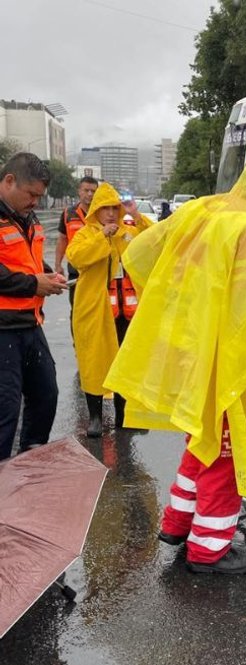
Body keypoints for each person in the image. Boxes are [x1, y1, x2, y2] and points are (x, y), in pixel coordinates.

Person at [103, 128, 246, 575]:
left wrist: (184, 307)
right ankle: (209, 550)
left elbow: (141, 253)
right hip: (228, 360)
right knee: (227, 452)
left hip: (192, 349)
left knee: (204, 441)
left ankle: (177, 524)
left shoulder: (205, 208)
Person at [66, 182, 152, 437]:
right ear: (96, 211)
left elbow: (155, 240)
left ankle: (124, 416)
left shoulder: (128, 232)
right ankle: (95, 418)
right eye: (106, 209)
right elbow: (76, 257)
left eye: (115, 208)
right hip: (97, 312)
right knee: (94, 363)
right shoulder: (86, 234)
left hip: (127, 313)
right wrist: (102, 236)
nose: (112, 214)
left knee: (126, 364)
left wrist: (135, 215)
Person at [0, 153, 67, 459]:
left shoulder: (27, 217)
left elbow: (28, 260)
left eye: (40, 196)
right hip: (3, 329)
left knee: (45, 395)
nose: (36, 203)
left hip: (30, 323)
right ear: (9, 181)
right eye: (31, 195)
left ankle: (30, 458)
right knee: (6, 408)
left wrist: (47, 274)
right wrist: (33, 284)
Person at [54, 175, 97, 308]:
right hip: (75, 271)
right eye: (86, 190)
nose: (89, 194)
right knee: (77, 308)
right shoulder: (68, 213)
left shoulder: (101, 213)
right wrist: (58, 264)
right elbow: (62, 239)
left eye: (93, 191)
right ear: (79, 191)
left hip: (97, 270)